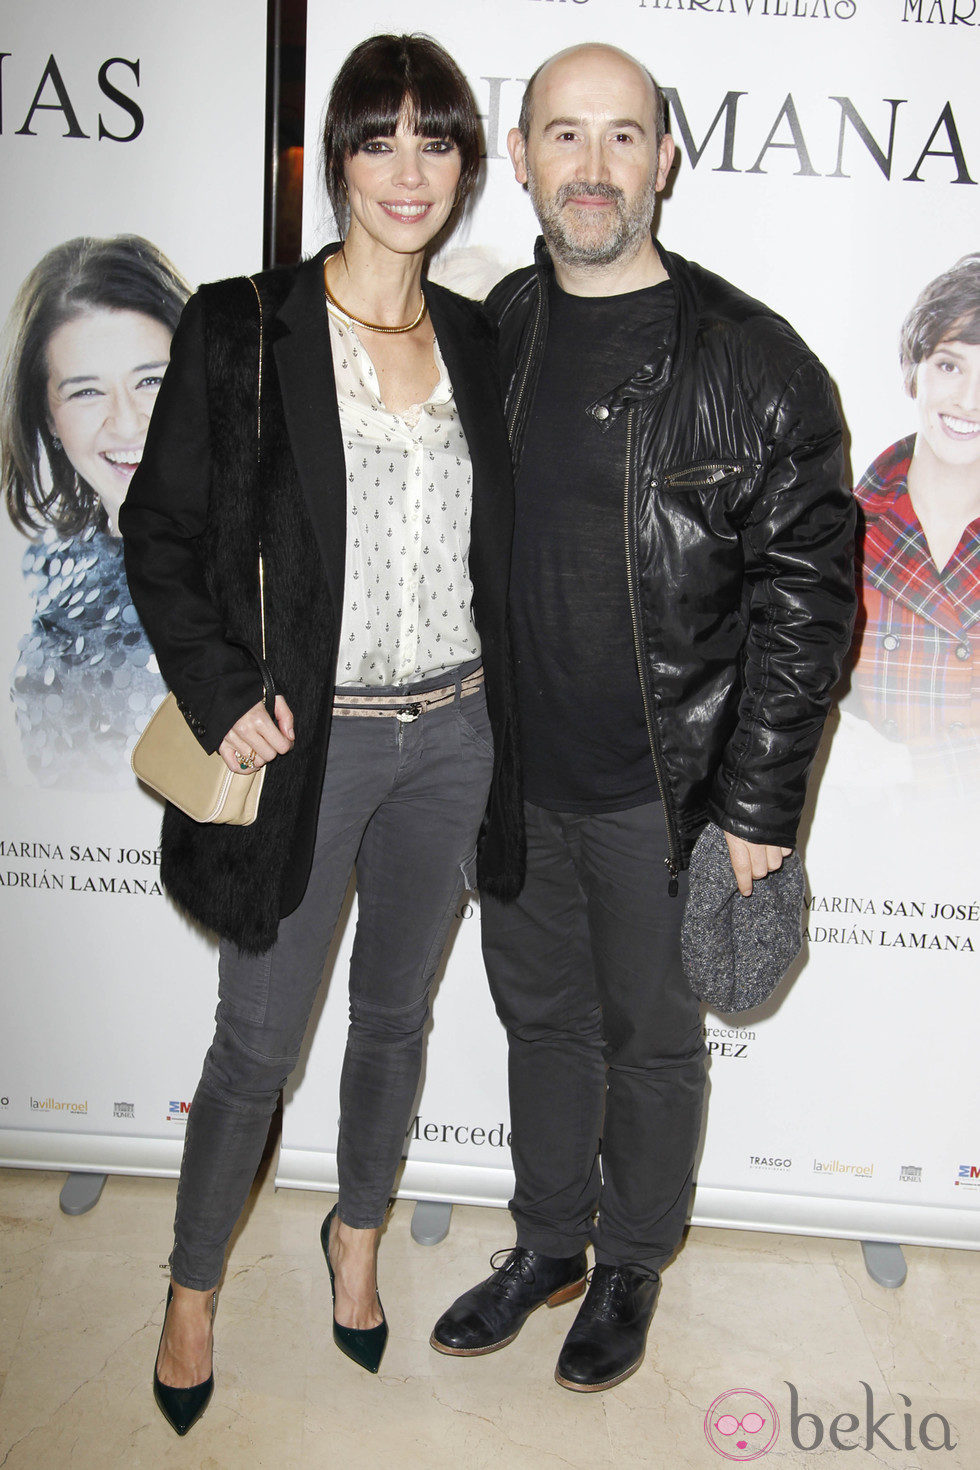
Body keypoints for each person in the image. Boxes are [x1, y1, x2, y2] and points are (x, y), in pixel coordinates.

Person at [430, 43, 856, 1393]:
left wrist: (758, 806)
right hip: (514, 778)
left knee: (654, 1040)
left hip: (666, 794)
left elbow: (812, 604)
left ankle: (631, 1263)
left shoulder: (755, 360)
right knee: (539, 1021)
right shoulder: (495, 325)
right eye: (566, 135)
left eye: (624, 138)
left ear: (666, 160)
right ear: (525, 157)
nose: (595, 167)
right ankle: (551, 1239)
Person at [120, 34, 523, 1433]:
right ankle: (190, 1284)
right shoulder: (244, 325)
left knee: (398, 1014)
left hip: (455, 736)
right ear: (335, 159)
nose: (409, 171)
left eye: (436, 140)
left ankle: (357, 1232)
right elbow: (161, 531)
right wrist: (225, 687)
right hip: (307, 746)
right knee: (254, 1048)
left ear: (466, 165)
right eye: (378, 139)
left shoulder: (481, 335)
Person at [0, 236, 188, 788]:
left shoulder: (276, 545)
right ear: (48, 419)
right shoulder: (48, 581)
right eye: (86, 393)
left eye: (151, 380)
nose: (127, 423)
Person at [850, 253, 980, 787]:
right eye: (950, 365)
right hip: (858, 837)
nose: (969, 400)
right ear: (913, 374)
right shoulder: (834, 527)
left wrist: (917, 767)